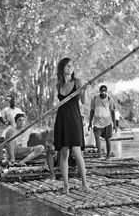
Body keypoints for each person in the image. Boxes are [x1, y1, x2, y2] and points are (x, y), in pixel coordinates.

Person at [54, 57, 89, 194]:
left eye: (72, 65)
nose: (71, 68)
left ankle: (85, 184)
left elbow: (84, 102)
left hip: (74, 119)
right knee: (64, 153)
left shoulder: (78, 82)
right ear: (62, 68)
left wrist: (84, 90)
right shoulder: (59, 85)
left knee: (76, 152)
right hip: (62, 120)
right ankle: (66, 185)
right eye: (68, 66)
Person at [88, 85, 116, 160]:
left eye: (104, 91)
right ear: (99, 91)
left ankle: (108, 156)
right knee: (97, 137)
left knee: (108, 139)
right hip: (97, 122)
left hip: (107, 122)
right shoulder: (94, 99)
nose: (103, 92)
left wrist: (115, 125)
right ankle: (100, 154)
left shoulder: (110, 99)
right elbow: (92, 110)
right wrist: (90, 122)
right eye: (101, 91)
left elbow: (113, 112)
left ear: (106, 91)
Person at [0, 97, 24, 163]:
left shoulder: (18, 110)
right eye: (12, 101)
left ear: (16, 103)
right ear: (10, 102)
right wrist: (4, 122)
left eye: (14, 102)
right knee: (1, 139)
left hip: (18, 128)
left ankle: (18, 156)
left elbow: (23, 116)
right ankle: (1, 157)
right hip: (10, 128)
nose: (13, 103)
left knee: (20, 141)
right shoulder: (6, 109)